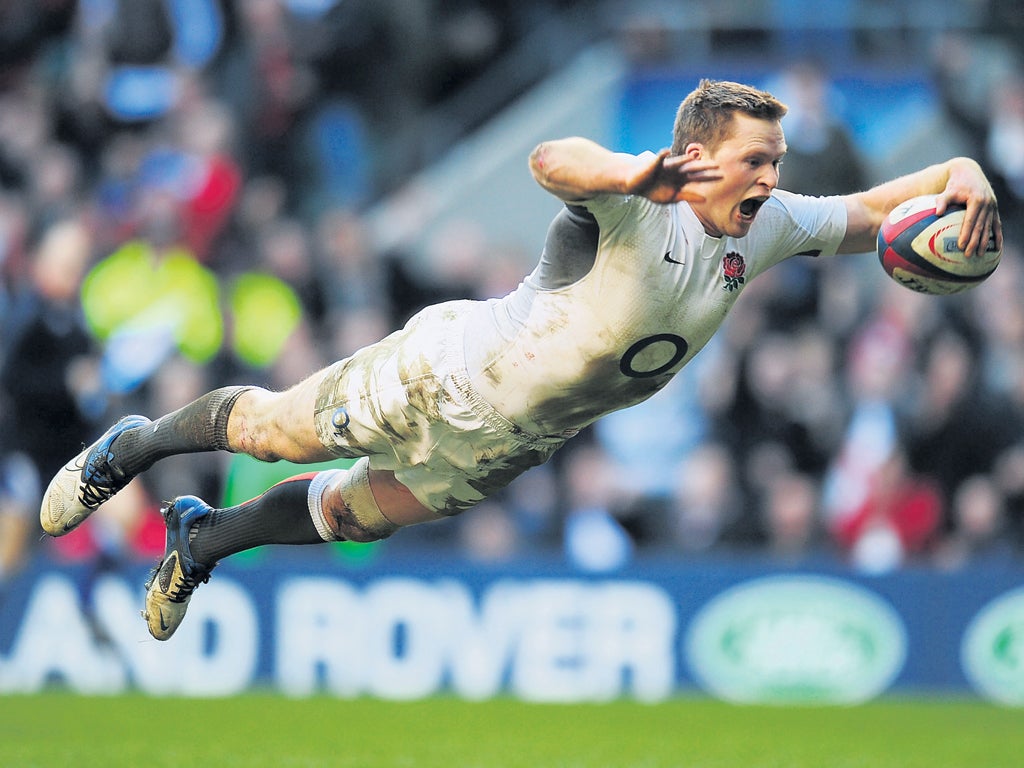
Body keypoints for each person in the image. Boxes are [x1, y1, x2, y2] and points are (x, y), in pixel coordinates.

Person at [39, 79, 1002, 641]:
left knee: (345, 516)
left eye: (778, 161)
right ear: (695, 155)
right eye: (755, 159)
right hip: (448, 371)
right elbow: (553, 158)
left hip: (520, 439)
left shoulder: (772, 225)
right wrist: (635, 173)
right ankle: (129, 448)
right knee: (276, 430)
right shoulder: (641, 200)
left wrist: (962, 175)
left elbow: (880, 212)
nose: (772, 179)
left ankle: (200, 540)